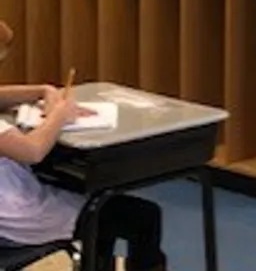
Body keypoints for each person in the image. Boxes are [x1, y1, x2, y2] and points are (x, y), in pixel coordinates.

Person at [0, 28, 167, 271]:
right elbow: (33, 150)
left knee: (96, 203)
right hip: (16, 219)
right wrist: (60, 115)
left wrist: (43, 90)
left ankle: (97, 263)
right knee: (143, 216)